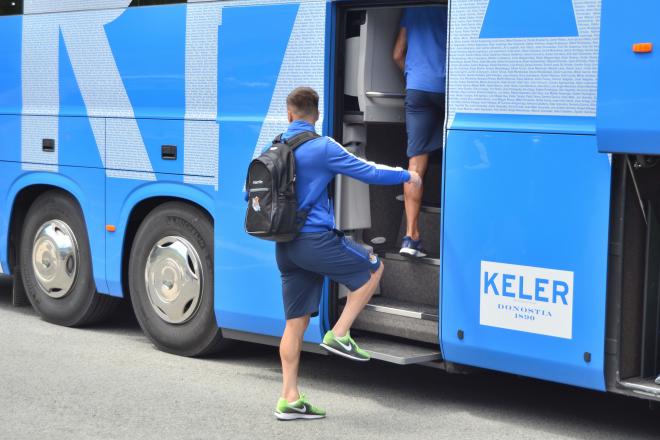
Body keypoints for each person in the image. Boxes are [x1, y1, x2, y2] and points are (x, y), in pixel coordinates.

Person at [272, 87, 421, 420]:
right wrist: (406, 175)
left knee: (294, 325)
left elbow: (249, 192)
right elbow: (365, 170)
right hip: (315, 241)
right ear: (317, 115)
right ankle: (339, 333)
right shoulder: (321, 147)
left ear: (289, 114)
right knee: (373, 268)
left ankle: (289, 398)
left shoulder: (275, 147)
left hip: (285, 247)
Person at [393, 6, 448, 258]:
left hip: (417, 88)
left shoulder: (412, 9)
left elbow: (397, 54)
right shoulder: (450, 8)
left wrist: (413, 76)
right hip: (448, 86)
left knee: (415, 166)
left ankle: (411, 236)